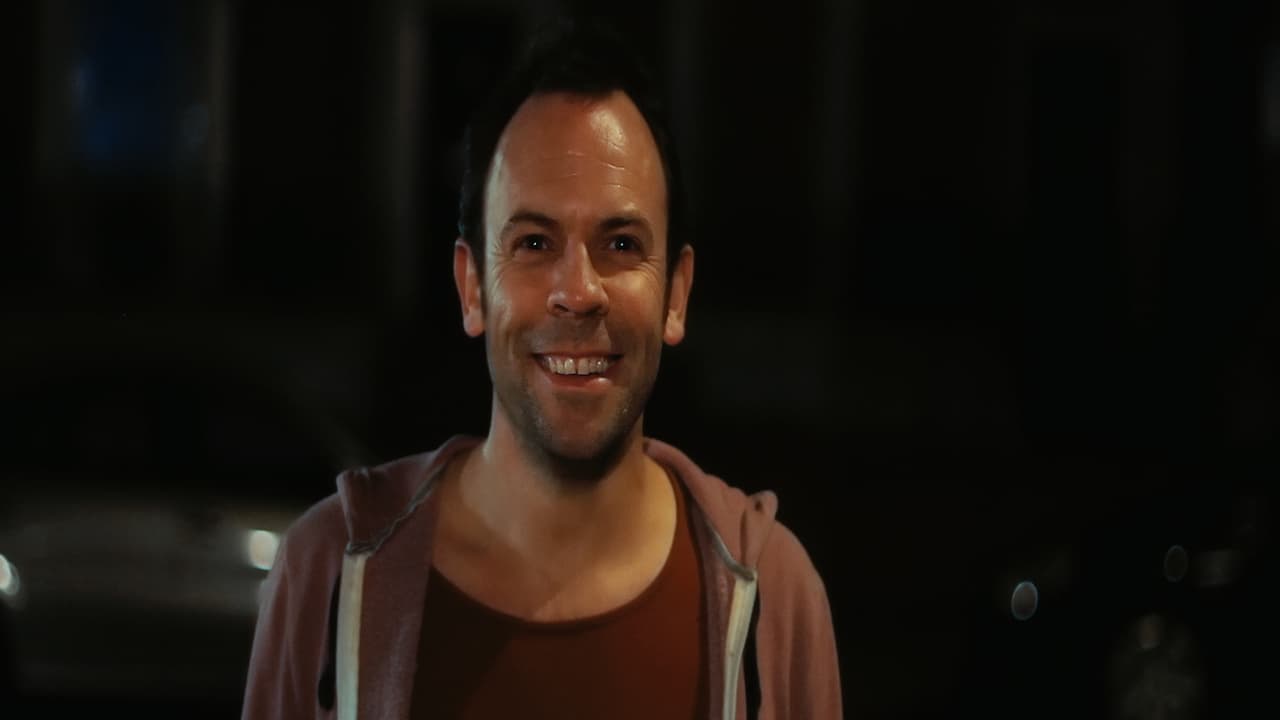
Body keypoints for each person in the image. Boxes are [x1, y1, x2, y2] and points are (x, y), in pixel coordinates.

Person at [242, 19, 841, 720]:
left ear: (676, 294)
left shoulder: (776, 596)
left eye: (621, 243)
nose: (578, 292)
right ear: (472, 287)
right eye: (533, 242)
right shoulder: (326, 577)